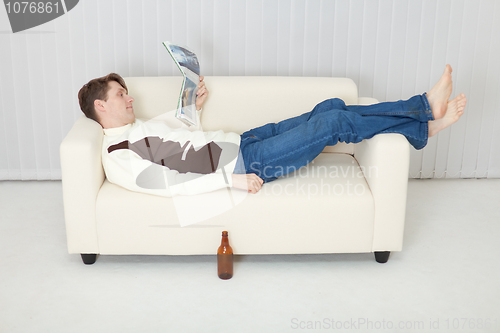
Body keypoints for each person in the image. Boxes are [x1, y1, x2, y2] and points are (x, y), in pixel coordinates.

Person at [78, 65, 466, 196]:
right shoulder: (118, 156)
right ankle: (422, 111)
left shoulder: (139, 127)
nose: (129, 99)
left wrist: (192, 109)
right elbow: (169, 182)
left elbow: (180, 138)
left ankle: (421, 129)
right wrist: (233, 180)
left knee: (329, 107)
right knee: (333, 123)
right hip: (250, 162)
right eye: (121, 95)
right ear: (101, 106)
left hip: (243, 140)